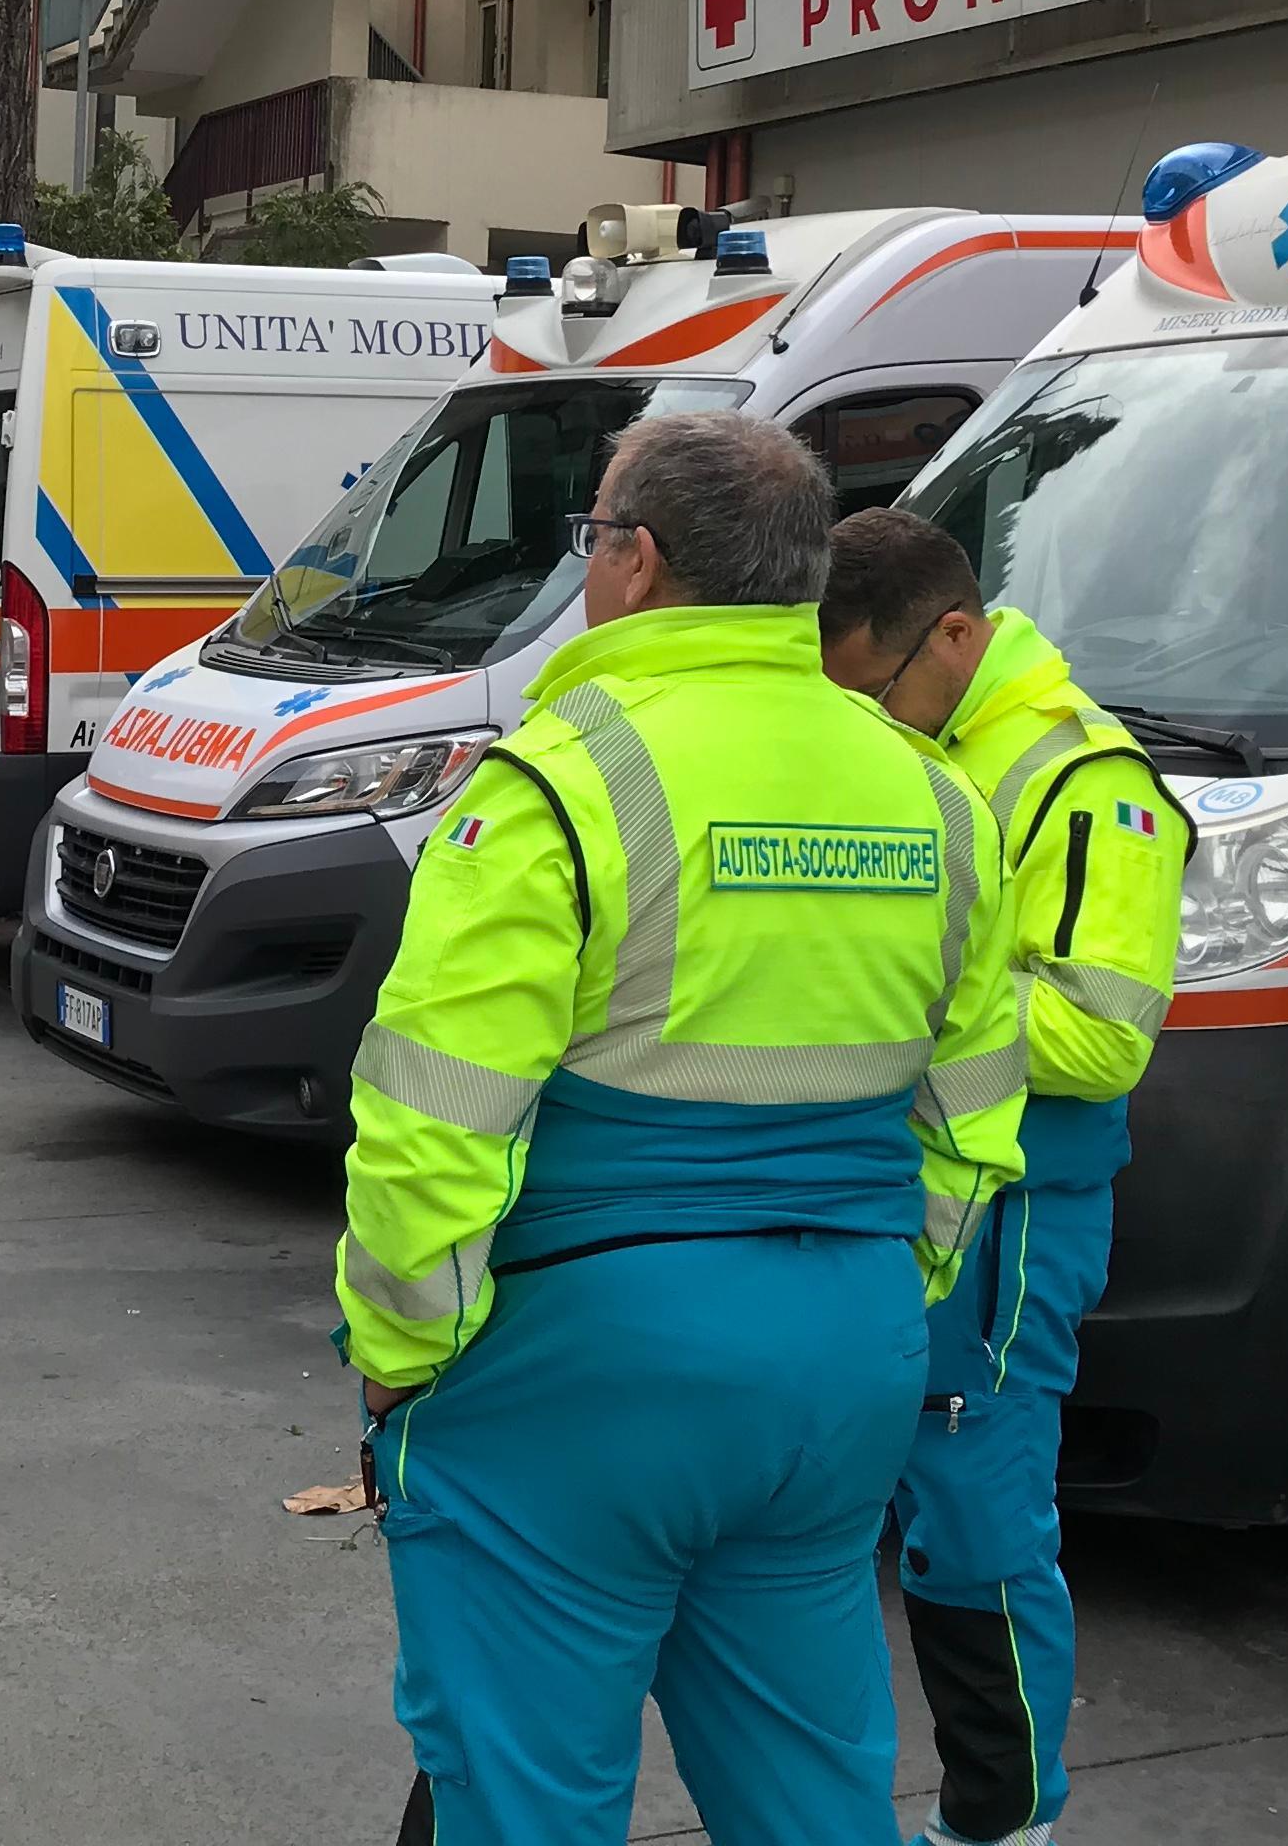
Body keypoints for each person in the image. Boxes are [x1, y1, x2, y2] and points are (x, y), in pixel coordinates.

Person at [337, 412, 1029, 1846]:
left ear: (638, 560)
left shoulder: (555, 785)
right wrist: (889, 1293)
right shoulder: (938, 796)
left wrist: (403, 1365)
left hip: (581, 1371)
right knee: (814, 1792)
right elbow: (973, 1115)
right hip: (841, 1358)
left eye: (592, 535)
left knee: (529, 1799)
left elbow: (429, 1130)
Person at [818, 507, 1189, 1846]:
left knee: (974, 1521)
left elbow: (1101, 1036)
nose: (864, 718)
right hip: (890, 1180)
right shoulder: (910, 730)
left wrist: (888, 996)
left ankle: (1002, 1822)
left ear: (959, 634)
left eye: (878, 686)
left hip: (1015, 1207)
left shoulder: (1095, 784)